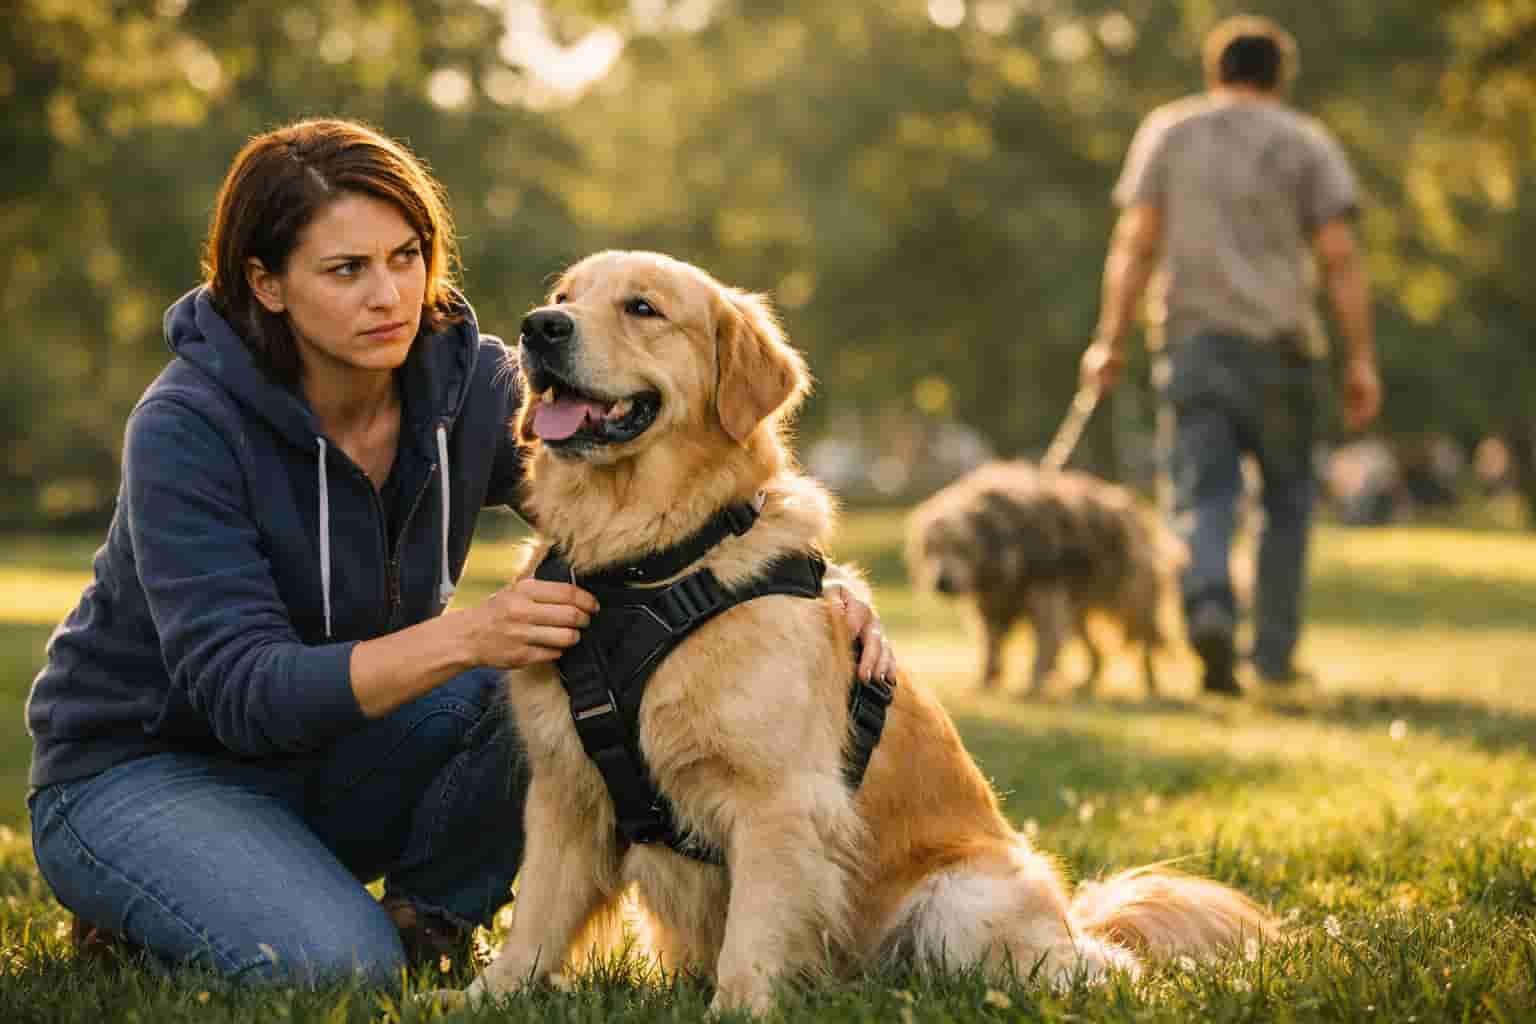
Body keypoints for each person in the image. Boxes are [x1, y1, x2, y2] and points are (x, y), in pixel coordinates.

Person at [25, 118, 896, 985]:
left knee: (530, 684)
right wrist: (470, 635)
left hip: (330, 757)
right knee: (337, 967)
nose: (390, 296)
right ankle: (151, 889)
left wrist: (808, 592)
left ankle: (427, 919)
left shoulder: (468, 387)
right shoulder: (188, 427)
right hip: (141, 767)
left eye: (407, 257)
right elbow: (245, 693)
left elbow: (666, 520)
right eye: (346, 270)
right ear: (268, 283)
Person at [1079, 15, 1381, 694]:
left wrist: (1110, 341)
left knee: (1202, 493)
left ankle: (1209, 602)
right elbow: (1338, 255)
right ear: (1279, 77)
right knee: (1287, 502)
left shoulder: (1170, 132)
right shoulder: (1307, 143)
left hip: (1194, 344)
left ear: (1216, 72)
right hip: (1284, 349)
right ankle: (1272, 655)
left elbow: (1135, 244)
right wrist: (1360, 357)